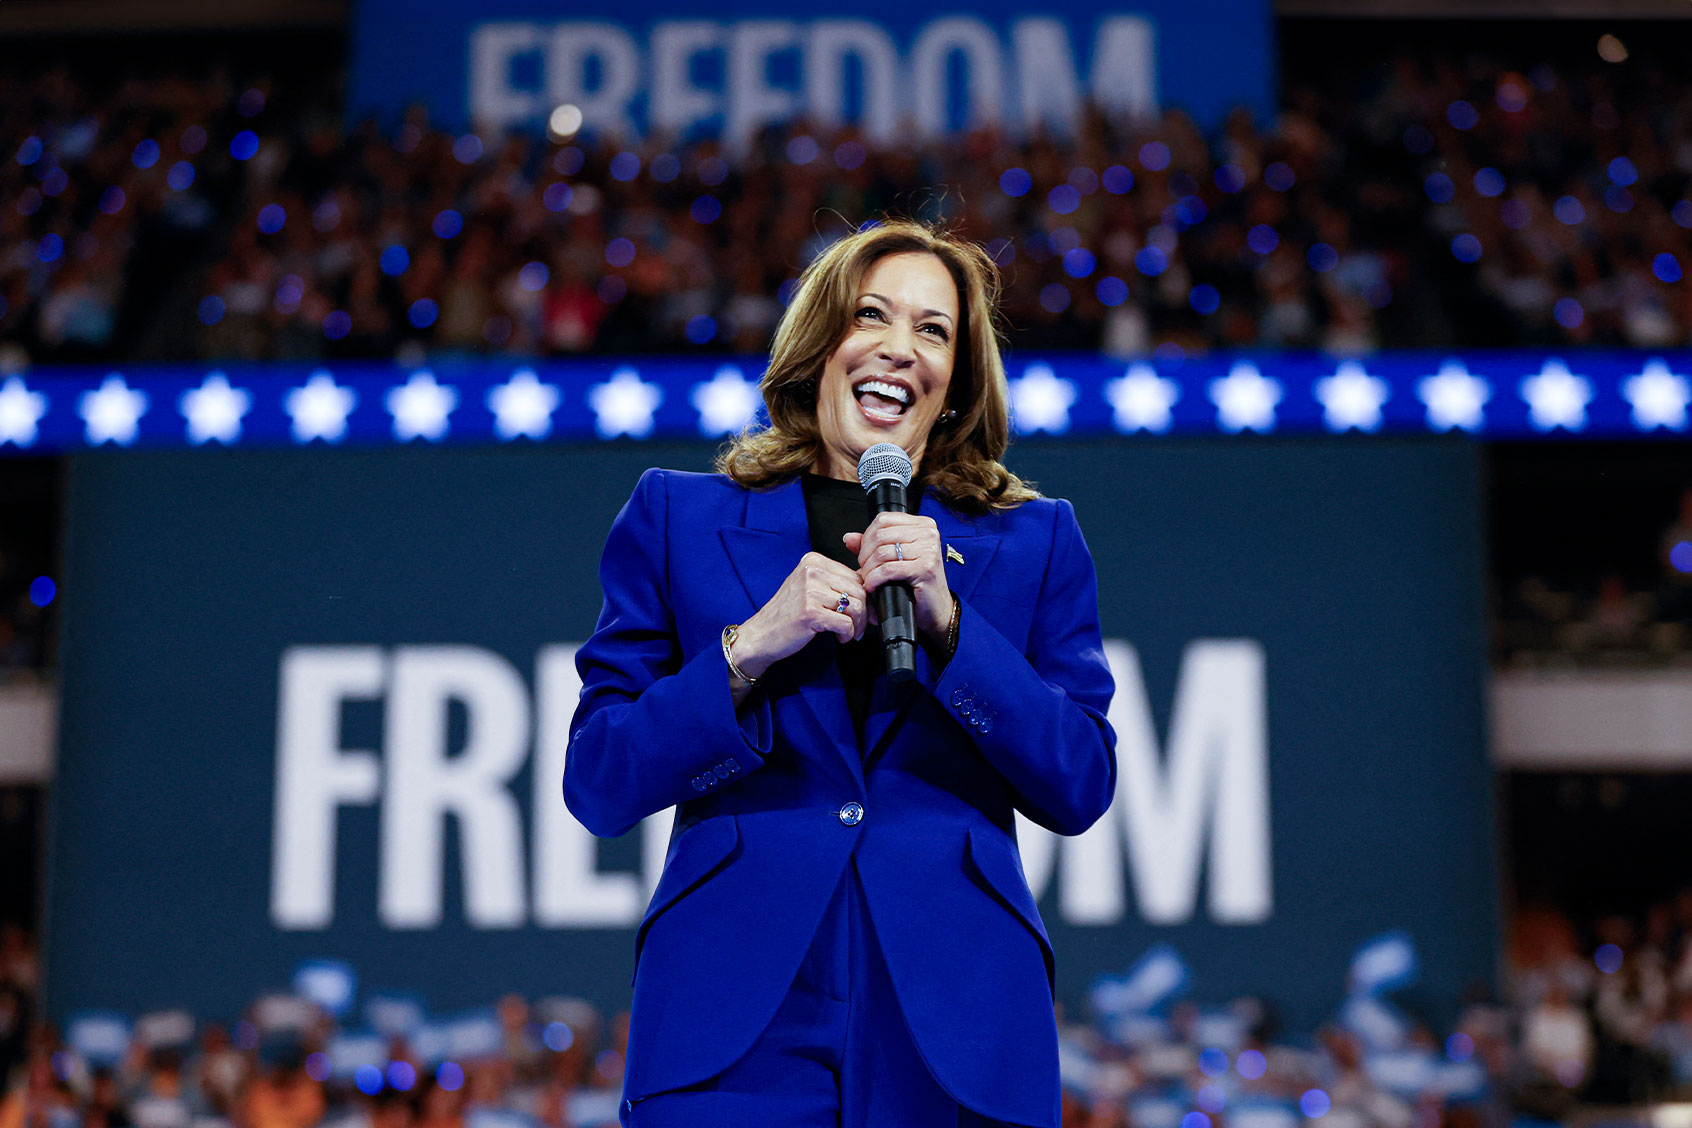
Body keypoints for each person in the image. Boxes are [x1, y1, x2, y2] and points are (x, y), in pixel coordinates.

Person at [564, 219, 1117, 1127]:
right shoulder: (677, 516)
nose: (900, 347)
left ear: (957, 382)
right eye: (872, 315)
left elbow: (1080, 782)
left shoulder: (1035, 540)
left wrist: (951, 627)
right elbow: (599, 779)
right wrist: (749, 648)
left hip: (958, 1018)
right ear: (820, 344)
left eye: (933, 330)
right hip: (730, 1009)